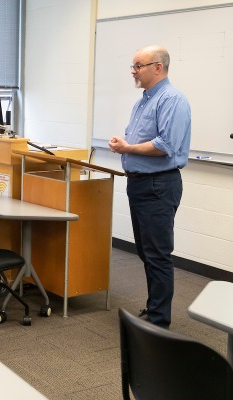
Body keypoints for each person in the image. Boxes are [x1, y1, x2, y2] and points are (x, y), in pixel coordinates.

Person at [109, 45, 191, 328]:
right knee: (146, 252)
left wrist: (128, 147)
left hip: (158, 185)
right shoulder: (144, 100)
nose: (133, 71)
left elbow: (165, 145)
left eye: (138, 66)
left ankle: (159, 321)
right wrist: (126, 146)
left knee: (157, 254)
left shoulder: (172, 99)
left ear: (158, 67)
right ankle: (154, 308)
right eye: (133, 65)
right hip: (140, 185)